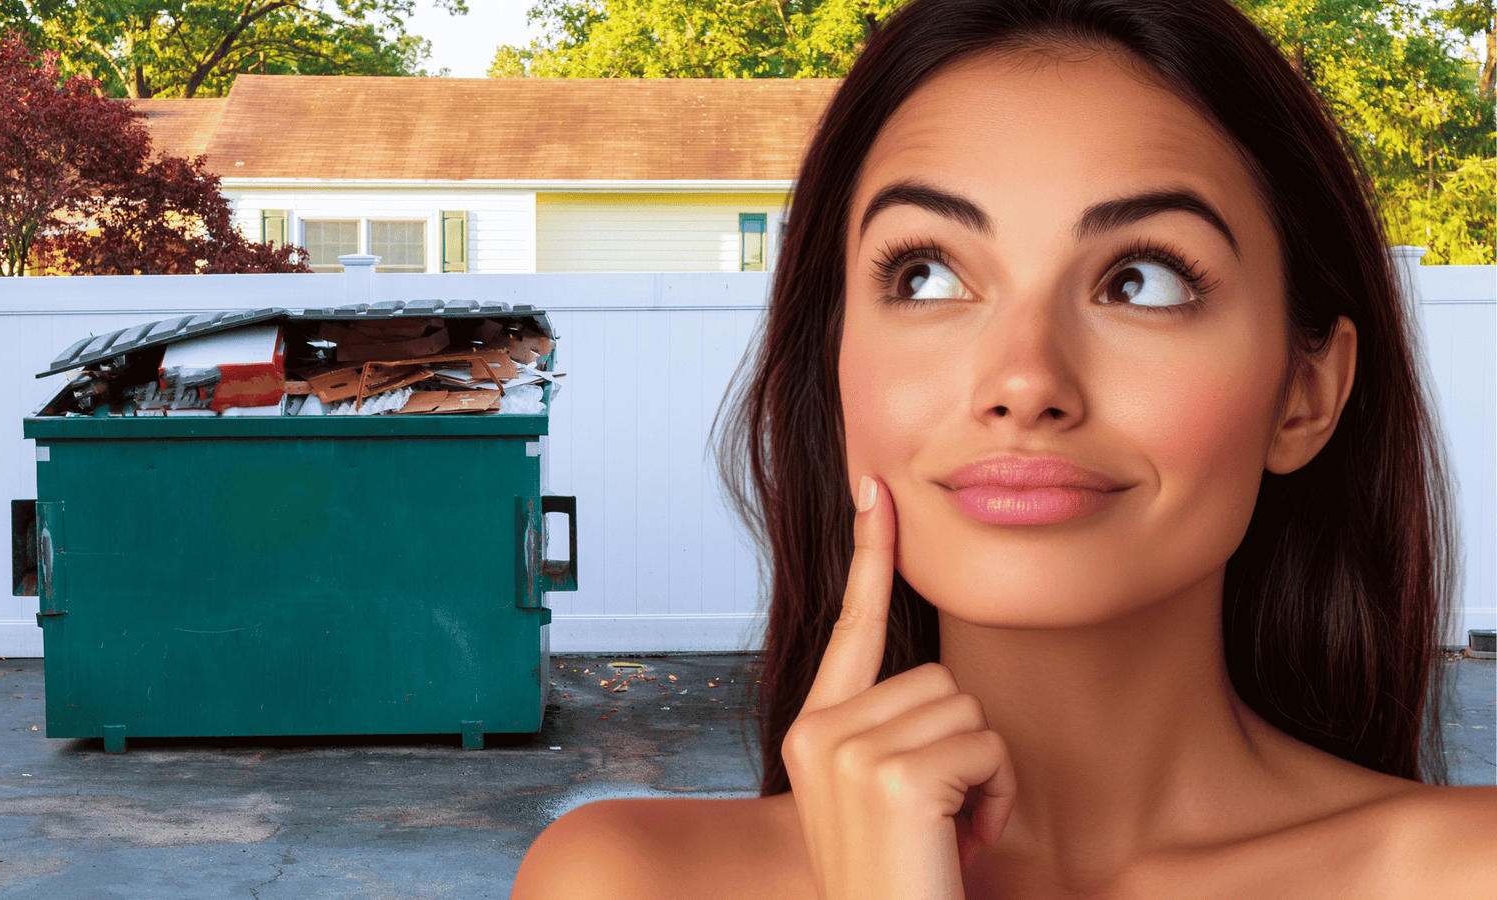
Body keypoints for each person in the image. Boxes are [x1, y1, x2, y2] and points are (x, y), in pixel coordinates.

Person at [511, 0, 1496, 896]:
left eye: (1142, 280)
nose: (1025, 381)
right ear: (836, 363)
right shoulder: (623, 881)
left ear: (1304, 392)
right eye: (927, 276)